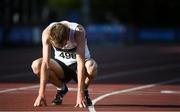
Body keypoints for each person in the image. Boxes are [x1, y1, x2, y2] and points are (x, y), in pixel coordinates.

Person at [31, 20, 97, 108]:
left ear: (67, 36)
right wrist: (41, 94)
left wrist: (79, 94)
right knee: (36, 65)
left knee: (92, 67)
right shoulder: (46, 33)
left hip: (80, 65)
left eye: (63, 44)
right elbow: (46, 64)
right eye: (59, 47)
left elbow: (80, 64)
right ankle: (61, 88)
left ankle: (84, 90)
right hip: (61, 66)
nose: (63, 48)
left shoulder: (78, 32)